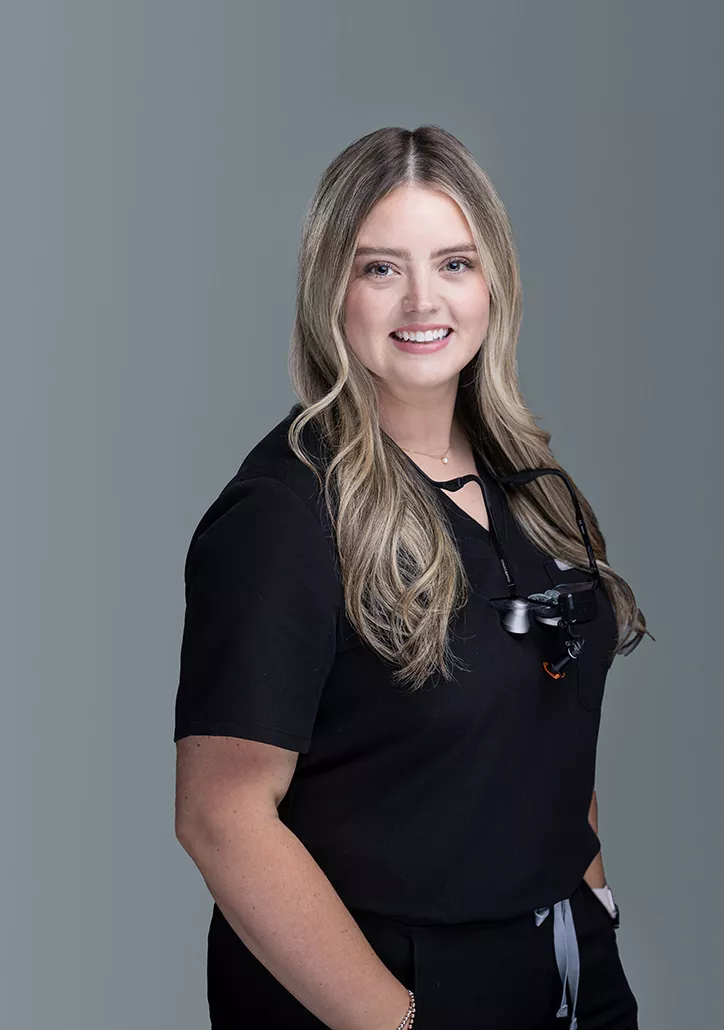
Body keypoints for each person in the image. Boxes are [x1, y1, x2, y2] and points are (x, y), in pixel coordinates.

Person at [173, 124, 648, 1029]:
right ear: (331, 289)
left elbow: (550, 717)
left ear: (493, 281)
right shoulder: (284, 514)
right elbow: (221, 818)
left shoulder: (529, 484)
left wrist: (592, 905)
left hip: (566, 967)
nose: (423, 300)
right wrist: (400, 1020)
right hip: (387, 991)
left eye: (454, 263)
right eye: (381, 268)